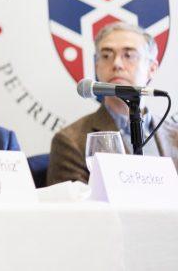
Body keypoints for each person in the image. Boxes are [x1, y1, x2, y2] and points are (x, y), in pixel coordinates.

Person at [47, 22, 178, 185]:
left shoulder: (175, 134)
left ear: (152, 68)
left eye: (128, 55)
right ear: (97, 67)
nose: (117, 64)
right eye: (106, 56)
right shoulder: (71, 140)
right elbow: (76, 201)